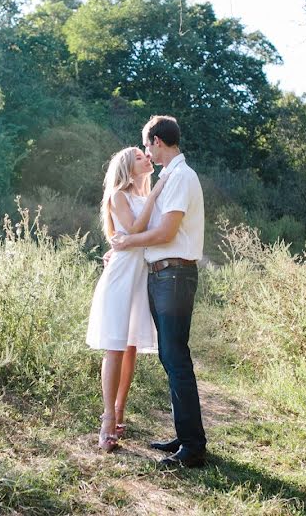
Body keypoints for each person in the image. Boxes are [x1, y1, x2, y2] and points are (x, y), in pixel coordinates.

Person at [111, 115, 207, 468]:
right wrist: (124, 246)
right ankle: (185, 436)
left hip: (175, 275)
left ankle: (193, 447)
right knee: (171, 356)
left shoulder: (181, 176)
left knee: (175, 356)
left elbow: (166, 233)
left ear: (156, 141)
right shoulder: (168, 177)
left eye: (147, 144)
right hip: (163, 275)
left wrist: (128, 241)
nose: (147, 152)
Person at [86, 146, 167, 452]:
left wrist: (153, 195)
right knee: (116, 346)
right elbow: (133, 229)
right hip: (121, 278)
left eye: (147, 154)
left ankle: (121, 411)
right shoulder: (118, 194)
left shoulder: (147, 197)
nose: (147, 157)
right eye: (139, 156)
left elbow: (152, 234)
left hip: (140, 277)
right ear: (126, 167)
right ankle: (107, 419)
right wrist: (157, 192)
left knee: (131, 347)